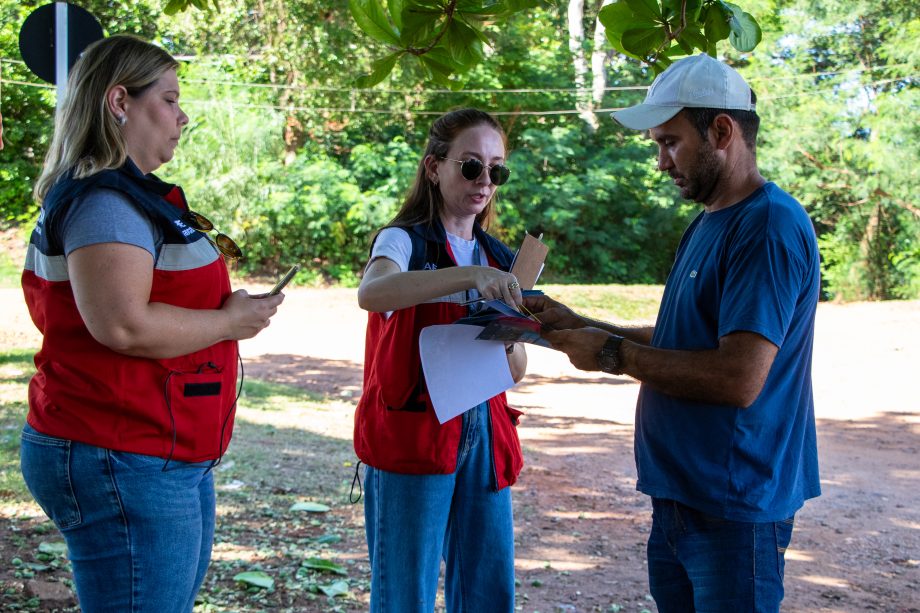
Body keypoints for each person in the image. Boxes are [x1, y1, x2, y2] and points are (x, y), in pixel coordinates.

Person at [525, 54, 821, 612]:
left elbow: (738, 377)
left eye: (670, 142)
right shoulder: (712, 219)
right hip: (684, 498)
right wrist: (580, 323)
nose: (661, 162)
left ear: (722, 131)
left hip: (733, 505)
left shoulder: (768, 226)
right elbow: (682, 334)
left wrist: (613, 353)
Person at [19, 35, 283, 612]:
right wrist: (229, 321)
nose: (183, 115)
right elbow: (124, 326)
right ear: (120, 102)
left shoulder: (129, 197)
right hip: (118, 450)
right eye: (168, 98)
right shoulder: (105, 203)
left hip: (150, 447)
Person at [354, 108, 528, 613]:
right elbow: (374, 292)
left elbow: (514, 372)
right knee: (404, 592)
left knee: (488, 590)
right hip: (415, 429)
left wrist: (515, 332)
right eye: (472, 166)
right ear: (434, 167)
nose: (485, 181)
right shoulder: (404, 239)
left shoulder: (498, 256)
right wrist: (465, 278)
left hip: (486, 431)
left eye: (497, 170)